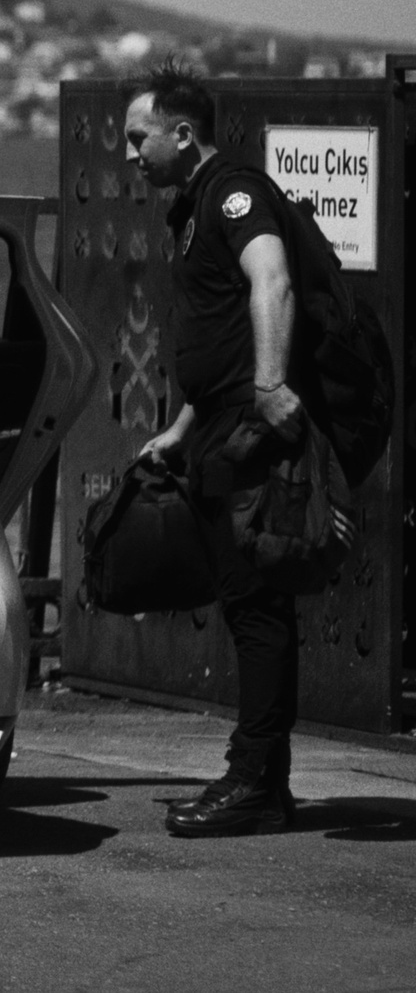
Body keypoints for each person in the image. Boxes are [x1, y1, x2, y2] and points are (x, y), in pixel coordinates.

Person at [127, 61, 343, 837]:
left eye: (138, 136)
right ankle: (265, 782)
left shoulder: (233, 193)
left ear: (183, 135)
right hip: (219, 423)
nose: (129, 153)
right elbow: (216, 325)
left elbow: (271, 280)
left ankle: (253, 779)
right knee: (250, 595)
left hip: (252, 426)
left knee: (255, 599)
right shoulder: (192, 207)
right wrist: (184, 427)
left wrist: (271, 383)